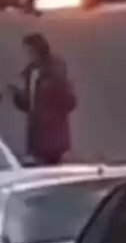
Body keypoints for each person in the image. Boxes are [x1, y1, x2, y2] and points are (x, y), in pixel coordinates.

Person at [9, 33, 78, 165]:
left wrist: (51, 109)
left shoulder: (55, 69)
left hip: (53, 132)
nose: (28, 54)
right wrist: (16, 94)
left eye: (30, 50)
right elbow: (29, 105)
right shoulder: (31, 72)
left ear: (38, 49)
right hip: (37, 133)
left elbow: (67, 99)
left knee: (52, 166)